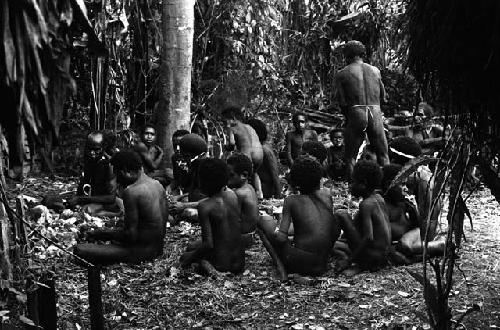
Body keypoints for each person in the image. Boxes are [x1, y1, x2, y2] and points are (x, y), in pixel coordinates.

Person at [74, 151, 168, 265]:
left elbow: (130, 236)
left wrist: (102, 233)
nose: (118, 180)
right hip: (158, 249)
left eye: (117, 175)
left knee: (80, 250)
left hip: (141, 252)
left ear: (125, 171)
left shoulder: (132, 192)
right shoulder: (157, 184)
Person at [258, 157, 340, 276]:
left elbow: (281, 239)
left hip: (300, 264)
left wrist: (277, 229)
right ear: (319, 179)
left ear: (296, 183)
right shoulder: (327, 196)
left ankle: (281, 268)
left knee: (264, 221)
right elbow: (319, 226)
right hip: (322, 263)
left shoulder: (291, 201)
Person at [333, 40, 389, 180]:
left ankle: (352, 191)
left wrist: (349, 117)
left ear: (347, 55)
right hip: (375, 111)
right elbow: (384, 97)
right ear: (362, 54)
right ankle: (388, 186)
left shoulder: (342, 74)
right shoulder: (375, 71)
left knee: (350, 156)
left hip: (356, 111)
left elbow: (341, 101)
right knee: (383, 154)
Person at [180, 159, 245, 274]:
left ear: (202, 183)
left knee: (186, 256)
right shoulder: (233, 195)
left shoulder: (205, 207)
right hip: (240, 264)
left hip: (221, 266)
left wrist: (187, 260)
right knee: (192, 247)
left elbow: (208, 244)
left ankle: (209, 268)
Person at [388, 137, 444, 257]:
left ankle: (438, 246)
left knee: (403, 246)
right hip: (419, 225)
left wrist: (423, 239)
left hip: (425, 229)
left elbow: (430, 217)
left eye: (393, 160)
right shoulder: (415, 174)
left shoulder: (423, 179)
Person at [334, 161, 391, 272]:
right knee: (337, 245)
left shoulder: (366, 204)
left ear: (363, 183)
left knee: (341, 214)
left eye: (353, 182)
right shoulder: (379, 198)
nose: (350, 186)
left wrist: (348, 261)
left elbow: (369, 238)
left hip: (371, 259)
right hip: (383, 256)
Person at [69, 132, 122, 216]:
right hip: (92, 199)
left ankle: (113, 214)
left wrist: (81, 199)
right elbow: (84, 185)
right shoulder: (89, 161)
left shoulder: (109, 166)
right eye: (89, 149)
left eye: (96, 150)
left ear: (103, 148)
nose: (92, 153)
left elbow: (111, 198)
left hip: (107, 202)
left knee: (86, 210)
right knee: (51, 201)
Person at [221, 106, 264, 199]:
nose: (224, 125)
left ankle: (240, 193)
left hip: (246, 155)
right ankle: (260, 193)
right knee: (255, 173)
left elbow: (232, 143)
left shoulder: (231, 128)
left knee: (238, 173)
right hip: (259, 155)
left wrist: (228, 147)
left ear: (233, 119)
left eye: (224, 122)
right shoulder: (249, 127)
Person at [169, 133, 208, 222]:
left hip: (207, 208)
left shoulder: (209, 169)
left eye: (185, 156)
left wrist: (184, 205)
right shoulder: (194, 166)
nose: (183, 159)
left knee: (188, 212)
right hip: (195, 203)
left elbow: (214, 199)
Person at [227, 153, 259, 247]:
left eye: (231, 175)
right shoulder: (250, 188)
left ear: (244, 175)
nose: (227, 179)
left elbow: (230, 220)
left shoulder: (239, 193)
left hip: (241, 238)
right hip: (250, 235)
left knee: (193, 246)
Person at [246, 118, 281, 199]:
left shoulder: (265, 149)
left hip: (265, 191)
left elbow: (274, 174)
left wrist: (278, 195)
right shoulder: (252, 149)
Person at [166, 129, 190, 195]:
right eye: (175, 145)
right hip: (183, 190)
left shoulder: (196, 160)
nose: (177, 149)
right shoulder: (175, 158)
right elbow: (176, 179)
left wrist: (180, 198)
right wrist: (169, 188)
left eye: (181, 145)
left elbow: (198, 189)